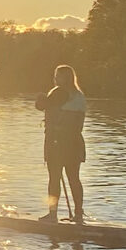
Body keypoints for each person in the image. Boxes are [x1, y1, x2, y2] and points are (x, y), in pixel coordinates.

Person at [35, 63, 87, 223]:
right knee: (74, 178)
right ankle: (78, 214)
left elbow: (40, 106)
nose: (55, 78)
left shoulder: (59, 93)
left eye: (57, 76)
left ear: (63, 78)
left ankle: (52, 214)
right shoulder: (79, 95)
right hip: (75, 142)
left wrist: (40, 98)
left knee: (54, 178)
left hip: (58, 143)